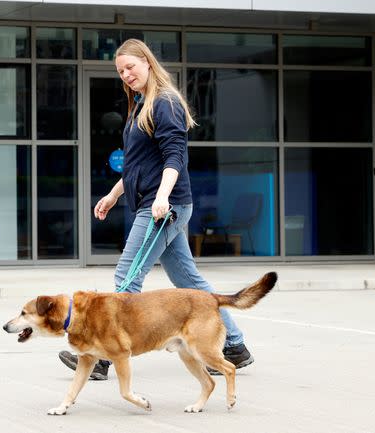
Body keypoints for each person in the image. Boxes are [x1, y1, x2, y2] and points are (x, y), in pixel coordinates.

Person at [58, 38, 253, 380]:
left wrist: (162, 197)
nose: (126, 75)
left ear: (148, 62)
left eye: (130, 67)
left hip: (165, 206)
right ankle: (235, 345)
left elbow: (175, 156)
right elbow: (136, 164)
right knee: (187, 279)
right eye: (121, 71)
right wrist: (114, 194)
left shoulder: (165, 103)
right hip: (158, 203)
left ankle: (103, 356)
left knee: (127, 277)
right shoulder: (140, 106)